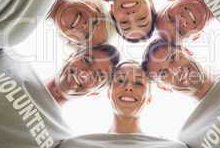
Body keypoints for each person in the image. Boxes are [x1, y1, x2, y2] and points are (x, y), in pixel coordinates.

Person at [0, 44, 119, 148]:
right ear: (71, 56)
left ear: (94, 93)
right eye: (86, 60)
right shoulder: (9, 60)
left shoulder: (61, 139)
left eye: (98, 76)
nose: (85, 73)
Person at [57, 61, 187, 148]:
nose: (129, 87)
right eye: (120, 80)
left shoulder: (171, 146)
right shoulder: (75, 145)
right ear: (109, 93)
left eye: (138, 83)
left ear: (149, 98)